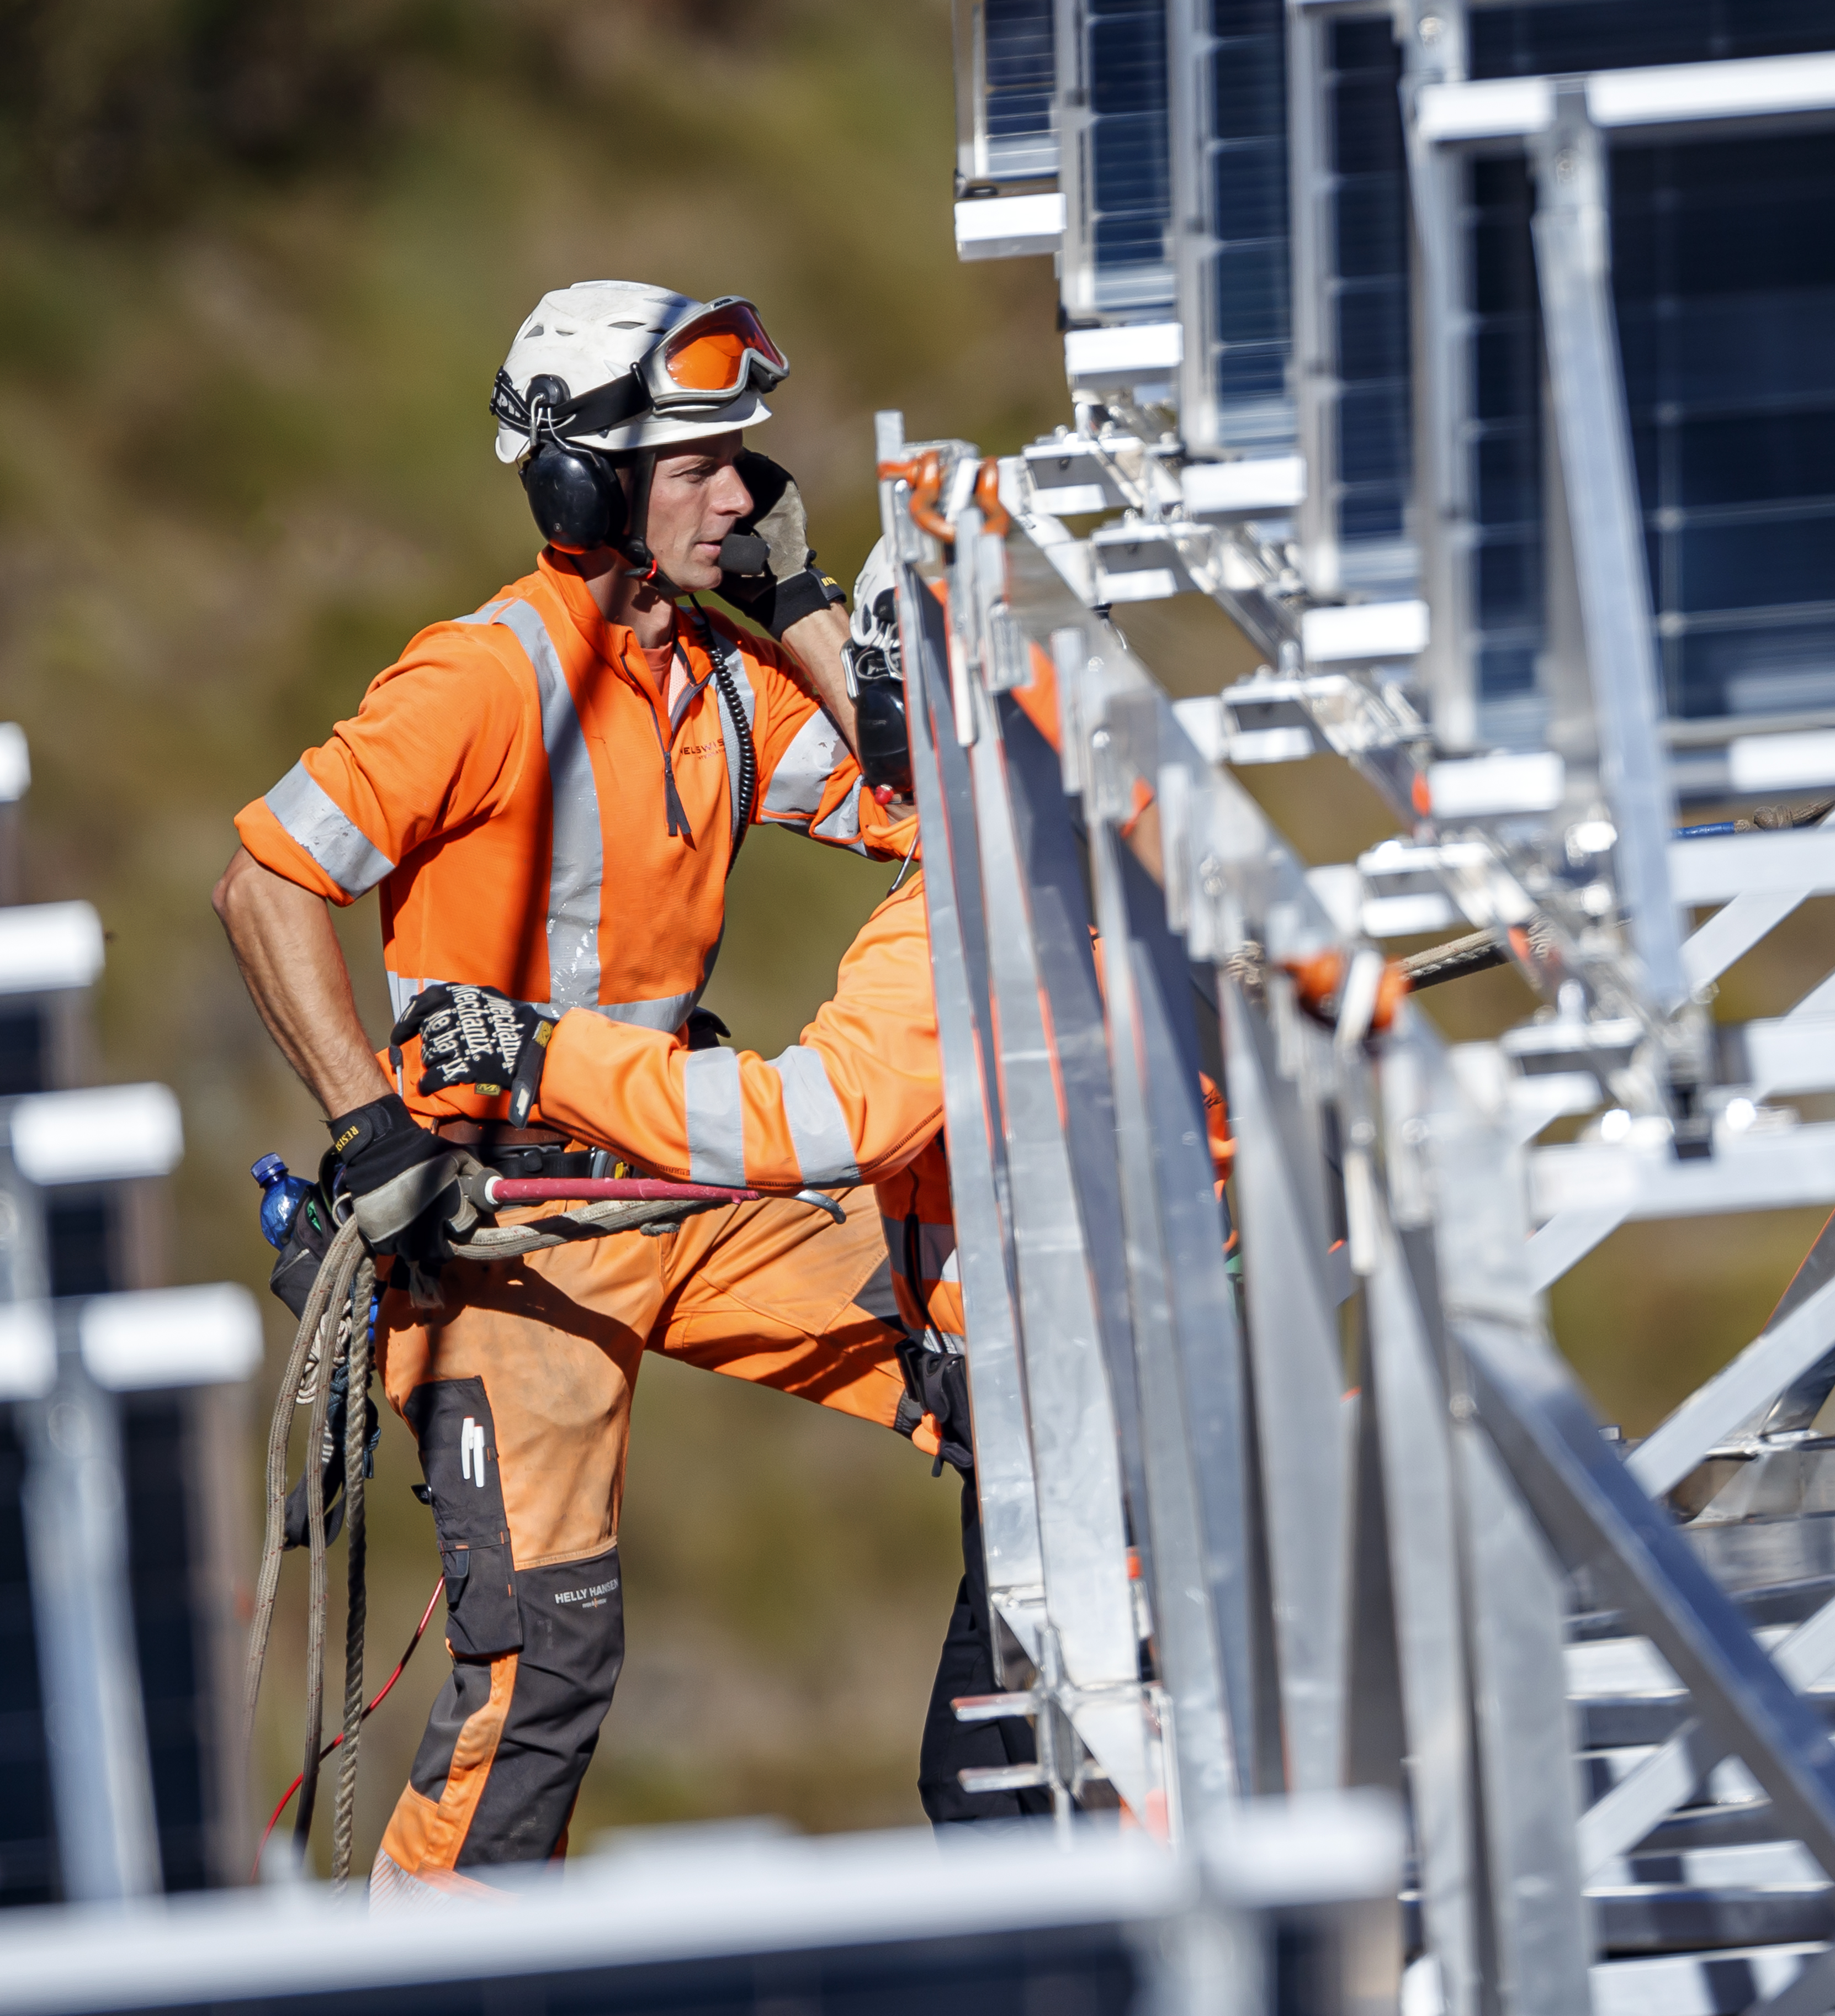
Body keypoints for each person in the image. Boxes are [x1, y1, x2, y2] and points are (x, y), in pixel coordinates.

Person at [213, 283, 940, 1893]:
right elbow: (266, 883)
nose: (738, 493)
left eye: (746, 462)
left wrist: (807, 602)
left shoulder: (723, 688)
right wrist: (369, 1122)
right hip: (500, 1234)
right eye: (695, 466)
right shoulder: (478, 681)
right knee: (540, 1688)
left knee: (993, 1378)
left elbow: (933, 807)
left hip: (678, 1182)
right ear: (577, 484)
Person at [397, 541, 1226, 1823]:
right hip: (1141, 1388)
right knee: (992, 1781)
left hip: (1094, 1427)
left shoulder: (977, 905)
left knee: (1061, 1800)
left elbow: (805, 1121)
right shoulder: (1150, 810)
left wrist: (539, 1051)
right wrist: (805, 607)